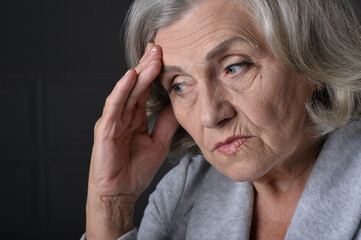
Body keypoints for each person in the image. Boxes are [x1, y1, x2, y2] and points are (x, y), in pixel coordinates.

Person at [82, 0, 361, 239]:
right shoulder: (184, 192)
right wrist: (110, 206)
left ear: (314, 61)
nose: (210, 116)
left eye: (234, 67)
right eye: (179, 85)